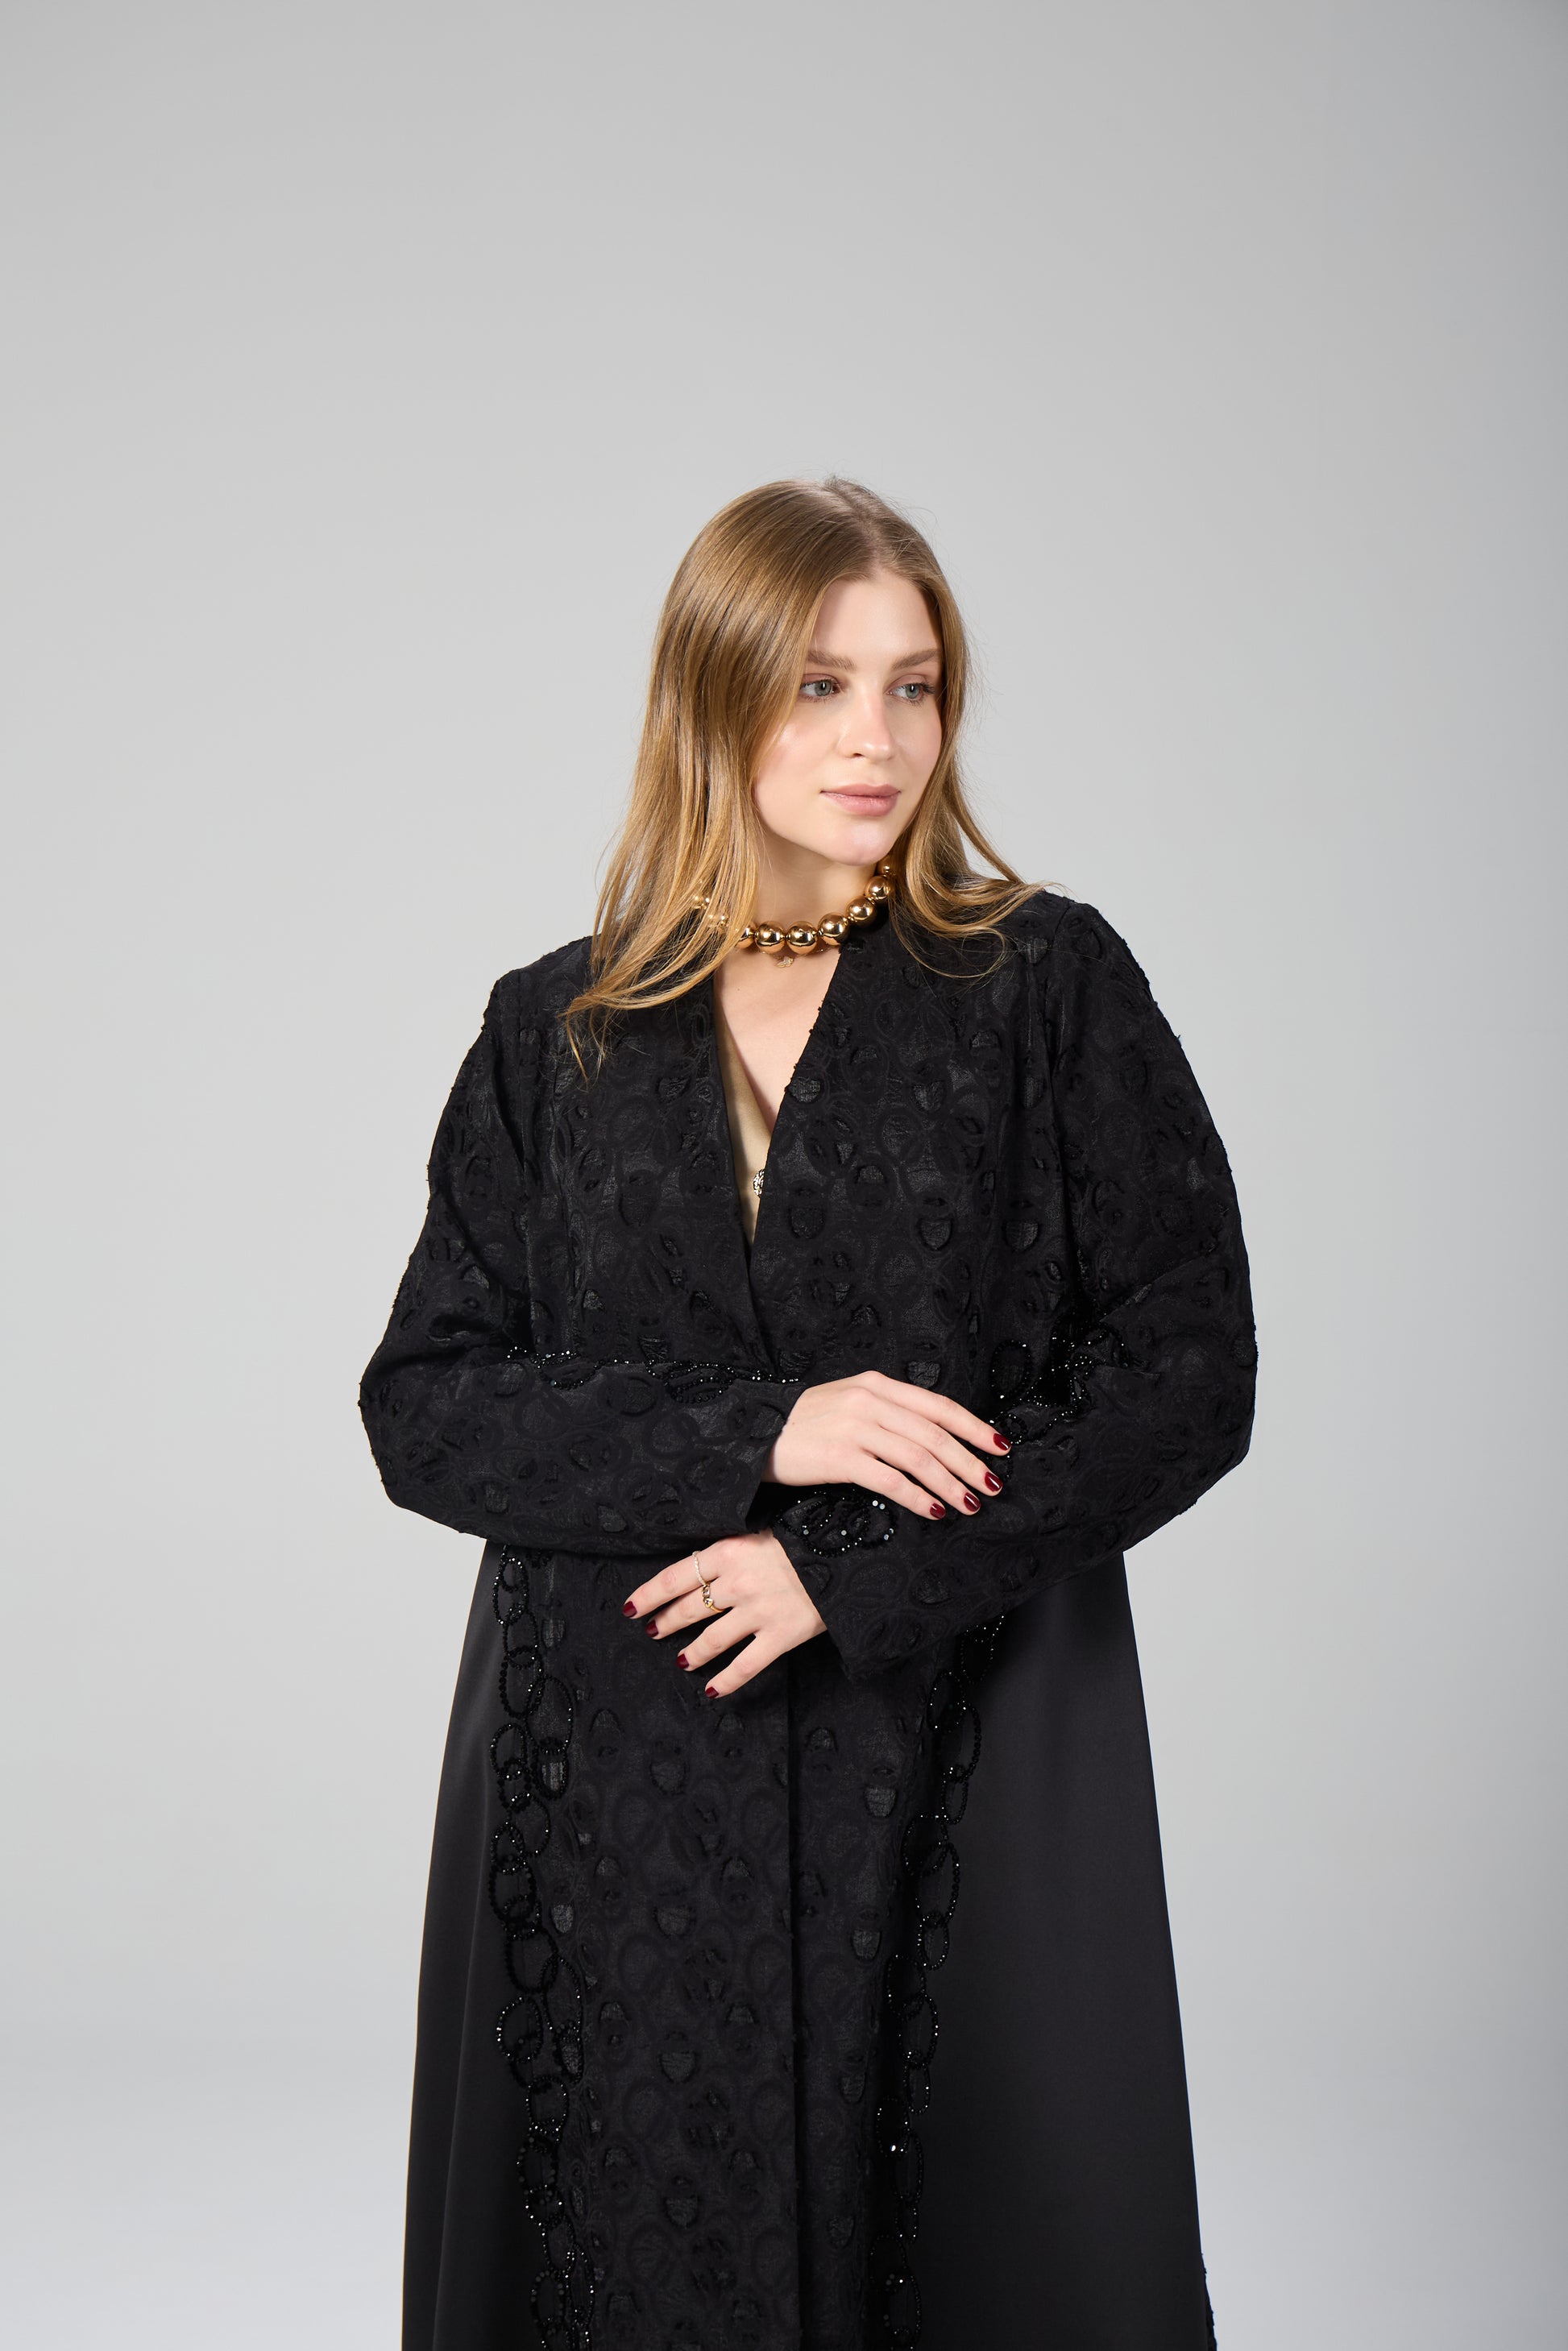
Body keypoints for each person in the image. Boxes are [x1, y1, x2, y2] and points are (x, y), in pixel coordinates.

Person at [359, 476, 1256, 2351]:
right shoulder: (556, 1029)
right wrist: (763, 1432)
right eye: (820, 686)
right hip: (613, 1775)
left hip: (952, 1746)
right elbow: (427, 1406)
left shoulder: (1042, 988)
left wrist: (843, 1573)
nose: (878, 739)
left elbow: (1187, 1372)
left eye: (914, 686)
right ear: (713, 697)